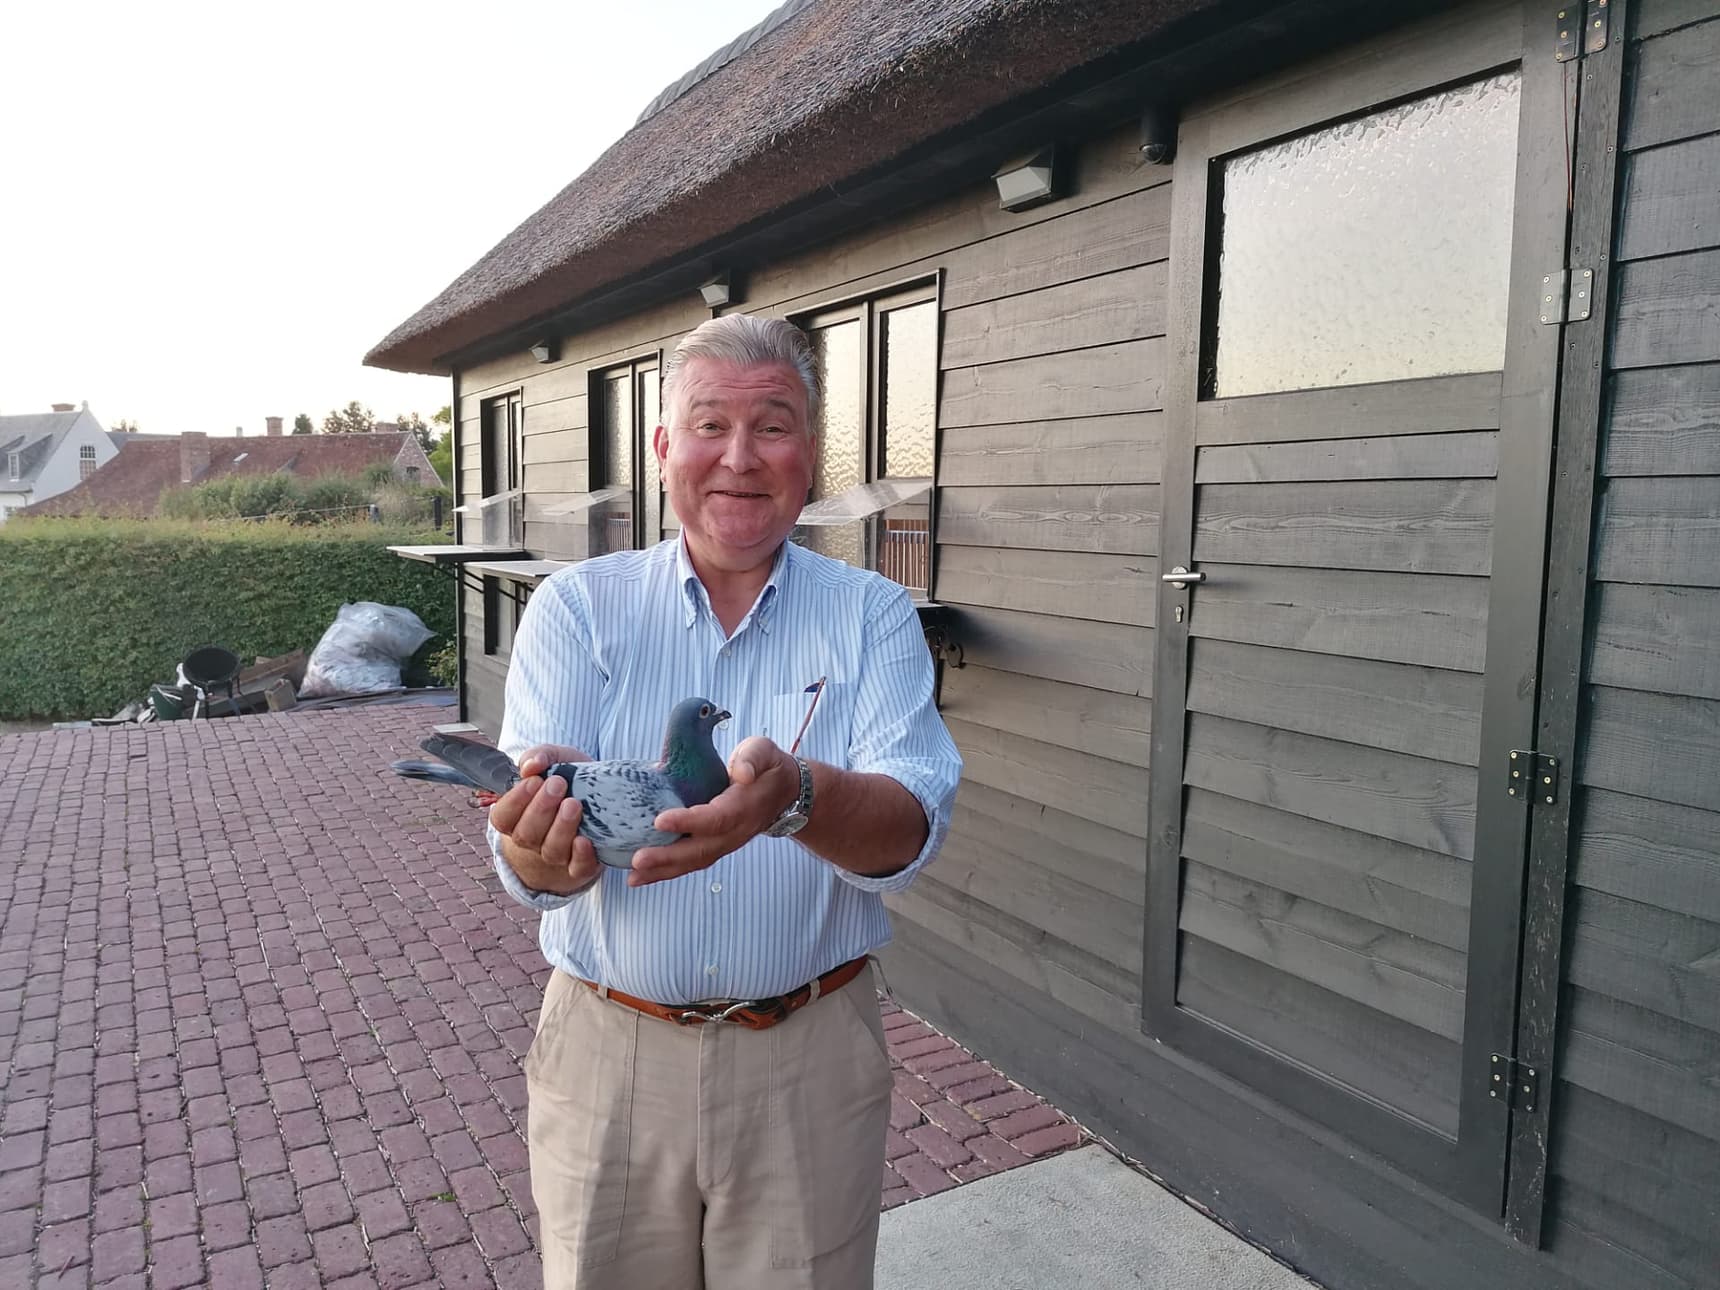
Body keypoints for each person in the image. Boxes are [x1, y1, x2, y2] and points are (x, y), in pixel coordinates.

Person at [484, 312, 963, 1289]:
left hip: (808, 1060)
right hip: (607, 1057)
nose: (739, 458)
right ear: (663, 446)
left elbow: (911, 831)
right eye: (708, 425)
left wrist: (794, 801)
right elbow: (529, 870)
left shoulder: (870, 614)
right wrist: (539, 848)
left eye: (773, 425)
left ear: (812, 451)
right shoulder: (578, 609)